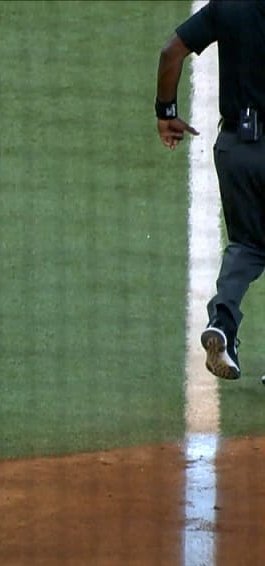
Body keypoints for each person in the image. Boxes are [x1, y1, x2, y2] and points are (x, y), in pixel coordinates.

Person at [156, 1, 265, 381]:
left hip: (236, 149)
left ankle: (222, 323)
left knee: (246, 245)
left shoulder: (230, 6)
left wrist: (166, 113)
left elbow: (171, 51)